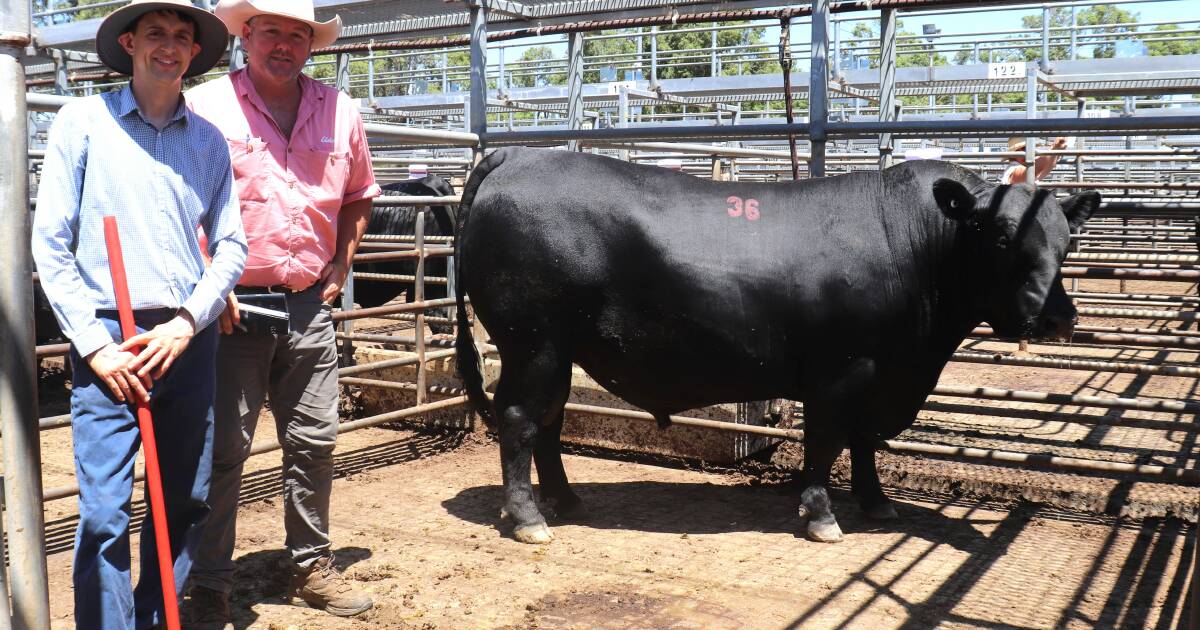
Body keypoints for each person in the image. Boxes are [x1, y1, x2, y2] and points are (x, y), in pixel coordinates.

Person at [30, 1, 245, 628]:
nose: (171, 46)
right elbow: (51, 240)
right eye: (157, 33)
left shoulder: (208, 141)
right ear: (129, 42)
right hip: (108, 338)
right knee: (102, 512)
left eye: (183, 36)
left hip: (183, 338)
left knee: (182, 499)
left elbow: (231, 243)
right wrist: (96, 347)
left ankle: (157, 619)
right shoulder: (83, 122)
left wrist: (187, 322)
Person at [184, 0, 380, 624]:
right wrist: (210, 285)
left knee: (316, 441)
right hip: (232, 312)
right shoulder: (206, 106)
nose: (285, 44)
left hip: (306, 308)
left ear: (311, 45)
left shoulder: (340, 109)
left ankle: (308, 566)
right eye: (272, 31)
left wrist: (342, 265)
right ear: (247, 34)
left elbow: (358, 196)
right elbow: (179, 202)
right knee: (222, 452)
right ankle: (209, 580)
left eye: (298, 34)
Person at [1001, 136, 1070, 184]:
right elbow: (1034, 170)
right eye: (1024, 149)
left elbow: (1046, 168)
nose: (1026, 152)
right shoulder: (1012, 169)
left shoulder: (1023, 167)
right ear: (1013, 154)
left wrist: (1057, 150)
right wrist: (1054, 149)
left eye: (1029, 148)